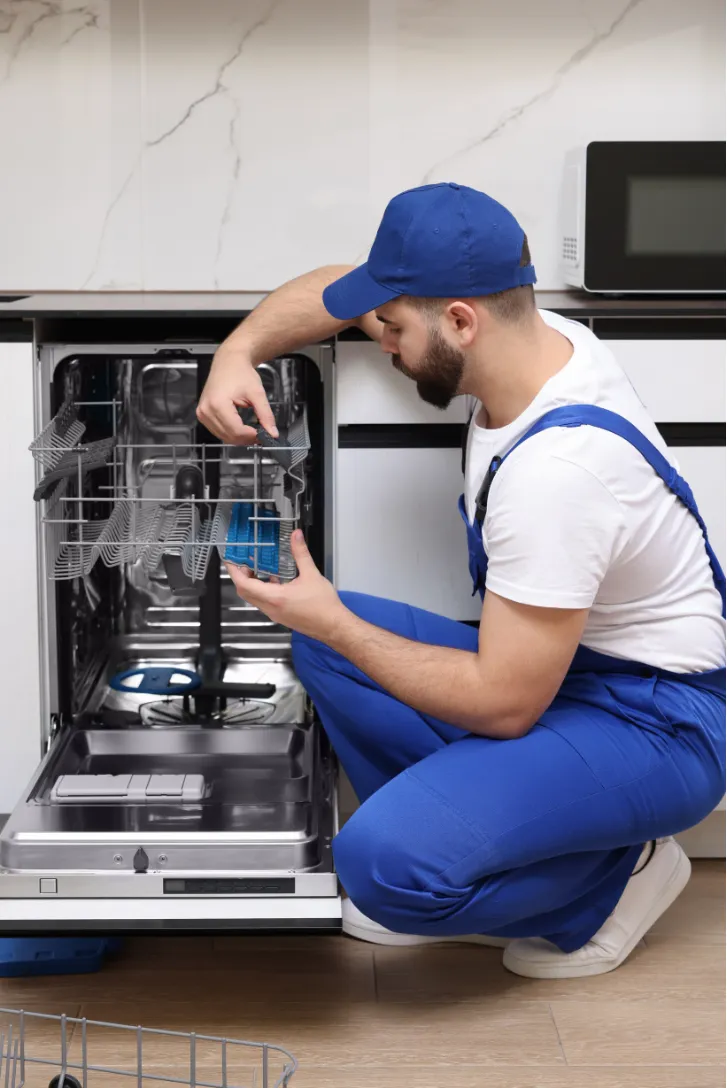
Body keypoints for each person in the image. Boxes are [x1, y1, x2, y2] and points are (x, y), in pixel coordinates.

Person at [197, 183, 726, 979]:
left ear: (459, 321)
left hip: (659, 721)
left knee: (379, 867)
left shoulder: (558, 473)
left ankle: (612, 882)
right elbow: (335, 288)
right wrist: (236, 353)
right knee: (323, 646)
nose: (380, 338)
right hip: (574, 671)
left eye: (395, 325)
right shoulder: (538, 336)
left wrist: (330, 617)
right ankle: (475, 843)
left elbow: (505, 705)